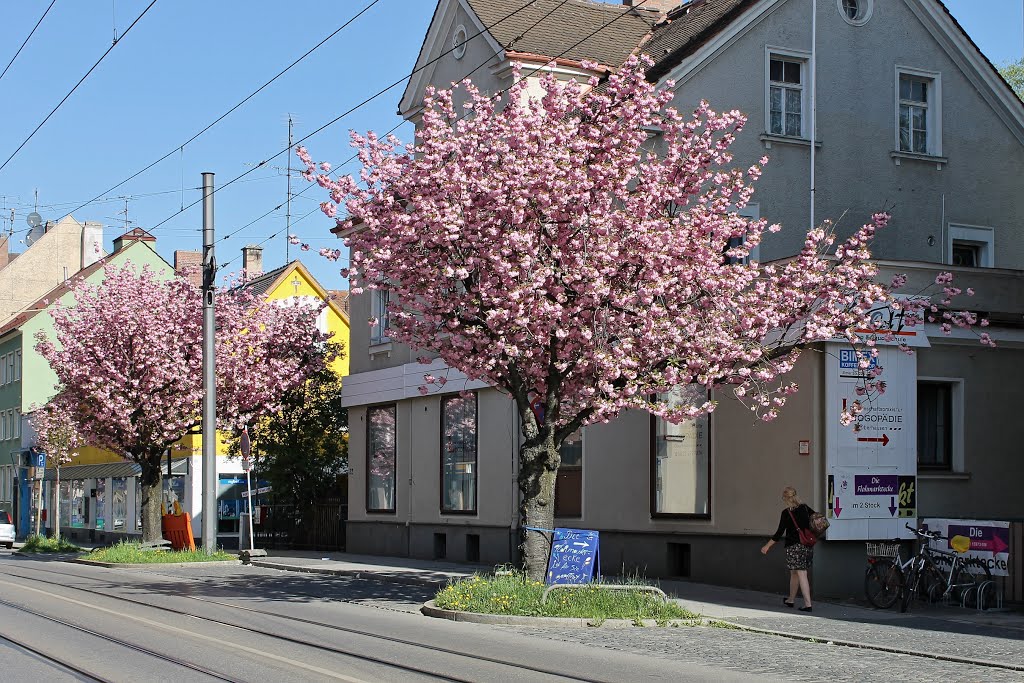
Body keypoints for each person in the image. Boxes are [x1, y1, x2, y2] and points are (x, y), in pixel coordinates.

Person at [760, 486, 815, 612]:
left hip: (794, 546)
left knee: (801, 573)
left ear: (785, 498)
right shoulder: (805, 508)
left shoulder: (786, 513)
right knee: (794, 573)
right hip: (807, 545)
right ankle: (790, 600)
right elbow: (817, 520)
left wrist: (767, 546)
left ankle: (808, 604)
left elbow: (779, 533)